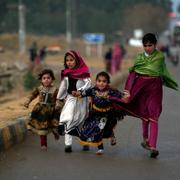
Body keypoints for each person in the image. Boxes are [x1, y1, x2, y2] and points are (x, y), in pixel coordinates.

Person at [117, 33, 178, 158]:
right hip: (140, 88)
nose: (147, 48)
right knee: (144, 115)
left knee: (153, 116)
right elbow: (133, 74)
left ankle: (153, 146)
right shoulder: (139, 57)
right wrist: (128, 91)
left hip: (155, 89)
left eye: (150, 45)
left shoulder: (160, 56)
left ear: (155, 45)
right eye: (145, 45)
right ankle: (146, 139)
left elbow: (161, 71)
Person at [73, 71, 124, 155]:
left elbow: (121, 96)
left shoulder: (111, 91)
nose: (101, 83)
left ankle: (102, 147)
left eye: (104, 81)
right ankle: (89, 144)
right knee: (88, 129)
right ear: (96, 81)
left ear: (108, 83)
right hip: (95, 114)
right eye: (99, 81)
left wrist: (126, 96)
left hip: (107, 115)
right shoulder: (93, 90)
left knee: (101, 130)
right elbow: (83, 93)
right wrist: (77, 93)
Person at [56, 50, 91, 153]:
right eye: (67, 60)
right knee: (68, 118)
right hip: (70, 99)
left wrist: (80, 92)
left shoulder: (84, 72)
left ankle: (85, 142)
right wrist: (59, 98)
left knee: (82, 121)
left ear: (77, 61)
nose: (69, 62)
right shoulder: (66, 73)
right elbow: (63, 87)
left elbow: (88, 83)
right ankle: (68, 144)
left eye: (71, 60)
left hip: (82, 100)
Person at [24, 69, 61, 150]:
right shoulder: (39, 89)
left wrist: (58, 104)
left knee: (54, 125)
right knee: (42, 128)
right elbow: (32, 95)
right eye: (44, 78)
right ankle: (43, 144)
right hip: (41, 111)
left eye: (48, 78)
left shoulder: (55, 90)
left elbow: (59, 99)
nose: (46, 80)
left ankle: (55, 133)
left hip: (52, 111)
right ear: (41, 80)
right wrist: (28, 101)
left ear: (52, 79)